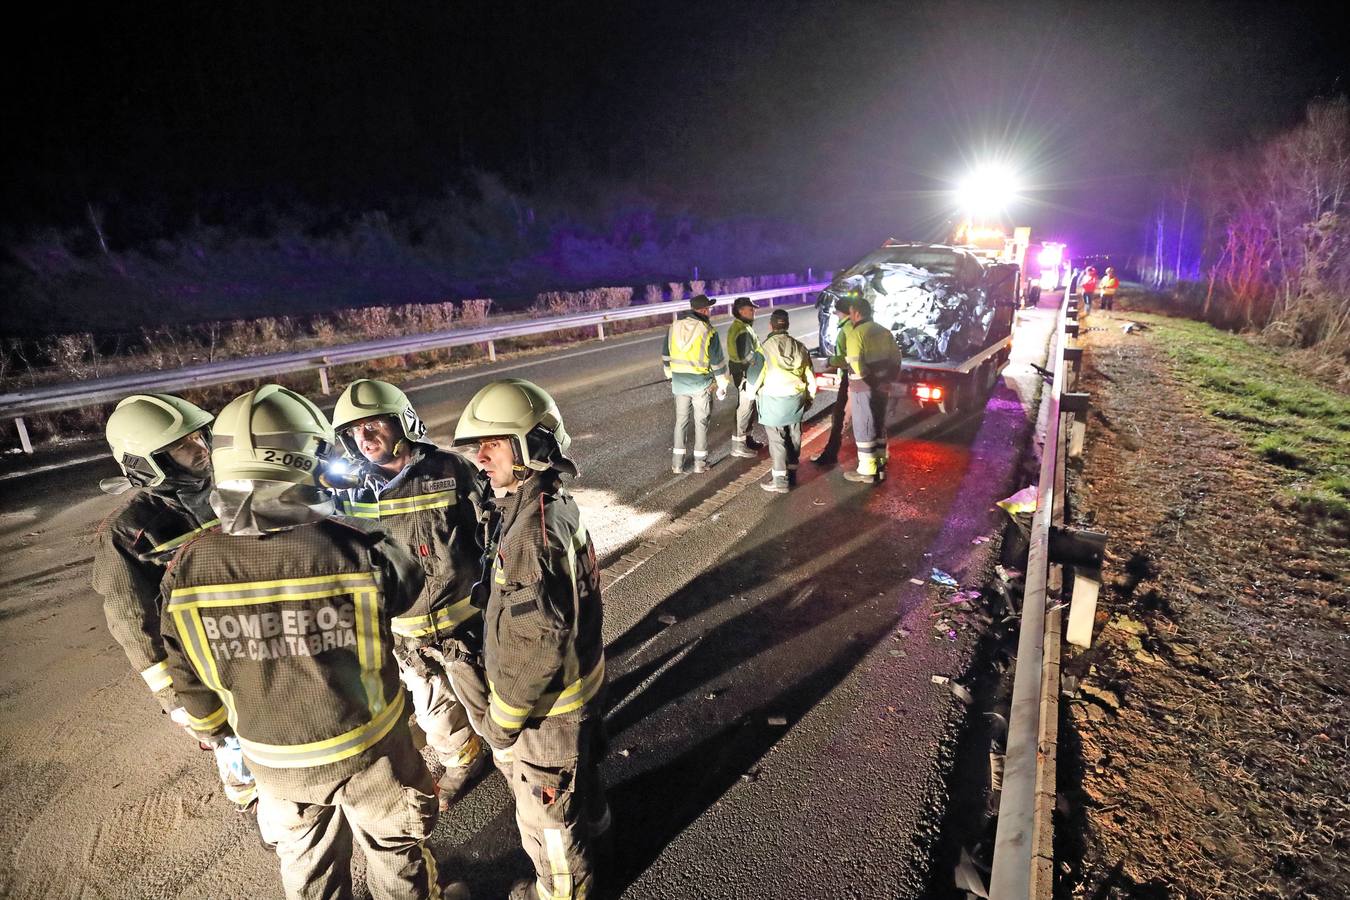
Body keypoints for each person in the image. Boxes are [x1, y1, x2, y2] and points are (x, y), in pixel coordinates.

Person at [159, 384, 446, 900]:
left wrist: (216, 727)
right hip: (370, 749)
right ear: (304, 458)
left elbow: (185, 674)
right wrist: (343, 517)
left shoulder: (186, 567)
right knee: (395, 851)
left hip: (273, 761)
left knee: (308, 866)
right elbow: (409, 589)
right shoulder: (355, 547)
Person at [449, 379, 609, 900]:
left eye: (492, 443)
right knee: (577, 782)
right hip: (578, 684)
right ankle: (600, 819)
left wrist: (502, 722)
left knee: (547, 820)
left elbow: (538, 638)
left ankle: (562, 893)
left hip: (546, 708)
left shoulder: (528, 536)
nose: (480, 455)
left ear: (529, 446)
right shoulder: (549, 505)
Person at [91, 393, 258, 822]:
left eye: (199, 436)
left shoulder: (234, 484)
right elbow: (132, 621)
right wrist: (174, 696)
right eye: (184, 446)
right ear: (149, 463)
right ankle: (254, 805)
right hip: (202, 661)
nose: (201, 448)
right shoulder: (129, 532)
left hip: (262, 637)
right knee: (232, 743)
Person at [330, 378, 489, 809]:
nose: (364, 438)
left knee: (497, 711)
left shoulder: (451, 471)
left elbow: (493, 536)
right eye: (354, 431)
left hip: (468, 628)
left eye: (373, 424)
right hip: (407, 637)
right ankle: (463, 760)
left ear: (402, 422)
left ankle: (519, 765)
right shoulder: (350, 494)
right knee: (438, 717)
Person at [748, 309, 818, 493]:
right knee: (794, 437)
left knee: (777, 440)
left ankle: (780, 481)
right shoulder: (800, 347)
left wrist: (750, 395)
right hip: (795, 399)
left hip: (772, 400)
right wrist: (809, 398)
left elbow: (755, 378)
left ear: (771, 325)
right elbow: (810, 377)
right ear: (787, 325)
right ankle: (792, 475)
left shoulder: (763, 349)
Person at [662, 293, 731, 473]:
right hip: (700, 384)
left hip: (679, 383)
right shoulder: (708, 330)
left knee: (681, 422)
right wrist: (723, 386)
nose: (709, 312)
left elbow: (666, 355)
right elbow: (717, 362)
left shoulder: (674, 327)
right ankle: (700, 463)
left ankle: (677, 464)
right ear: (704, 310)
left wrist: (671, 376)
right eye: (708, 309)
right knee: (701, 423)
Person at [842, 299, 902, 485]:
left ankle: (867, 470)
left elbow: (856, 366)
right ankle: (880, 462)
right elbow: (896, 359)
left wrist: (871, 383)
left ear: (857, 313)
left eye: (851, 313)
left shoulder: (856, 334)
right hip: (883, 385)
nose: (850, 317)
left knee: (864, 425)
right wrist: (886, 380)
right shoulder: (884, 331)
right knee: (878, 422)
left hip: (864, 387)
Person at [812, 296, 855, 466]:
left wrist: (830, 362)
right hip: (853, 375)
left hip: (850, 375)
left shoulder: (847, 329)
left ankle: (830, 454)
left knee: (839, 416)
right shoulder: (852, 327)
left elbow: (847, 358)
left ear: (840, 312)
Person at [726, 296, 765, 459]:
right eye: (750, 309)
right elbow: (748, 357)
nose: (753, 311)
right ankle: (739, 446)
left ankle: (747, 439)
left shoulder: (743, 326)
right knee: (744, 409)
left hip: (745, 373)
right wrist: (756, 372)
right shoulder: (742, 330)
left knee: (749, 408)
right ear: (741, 311)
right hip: (745, 374)